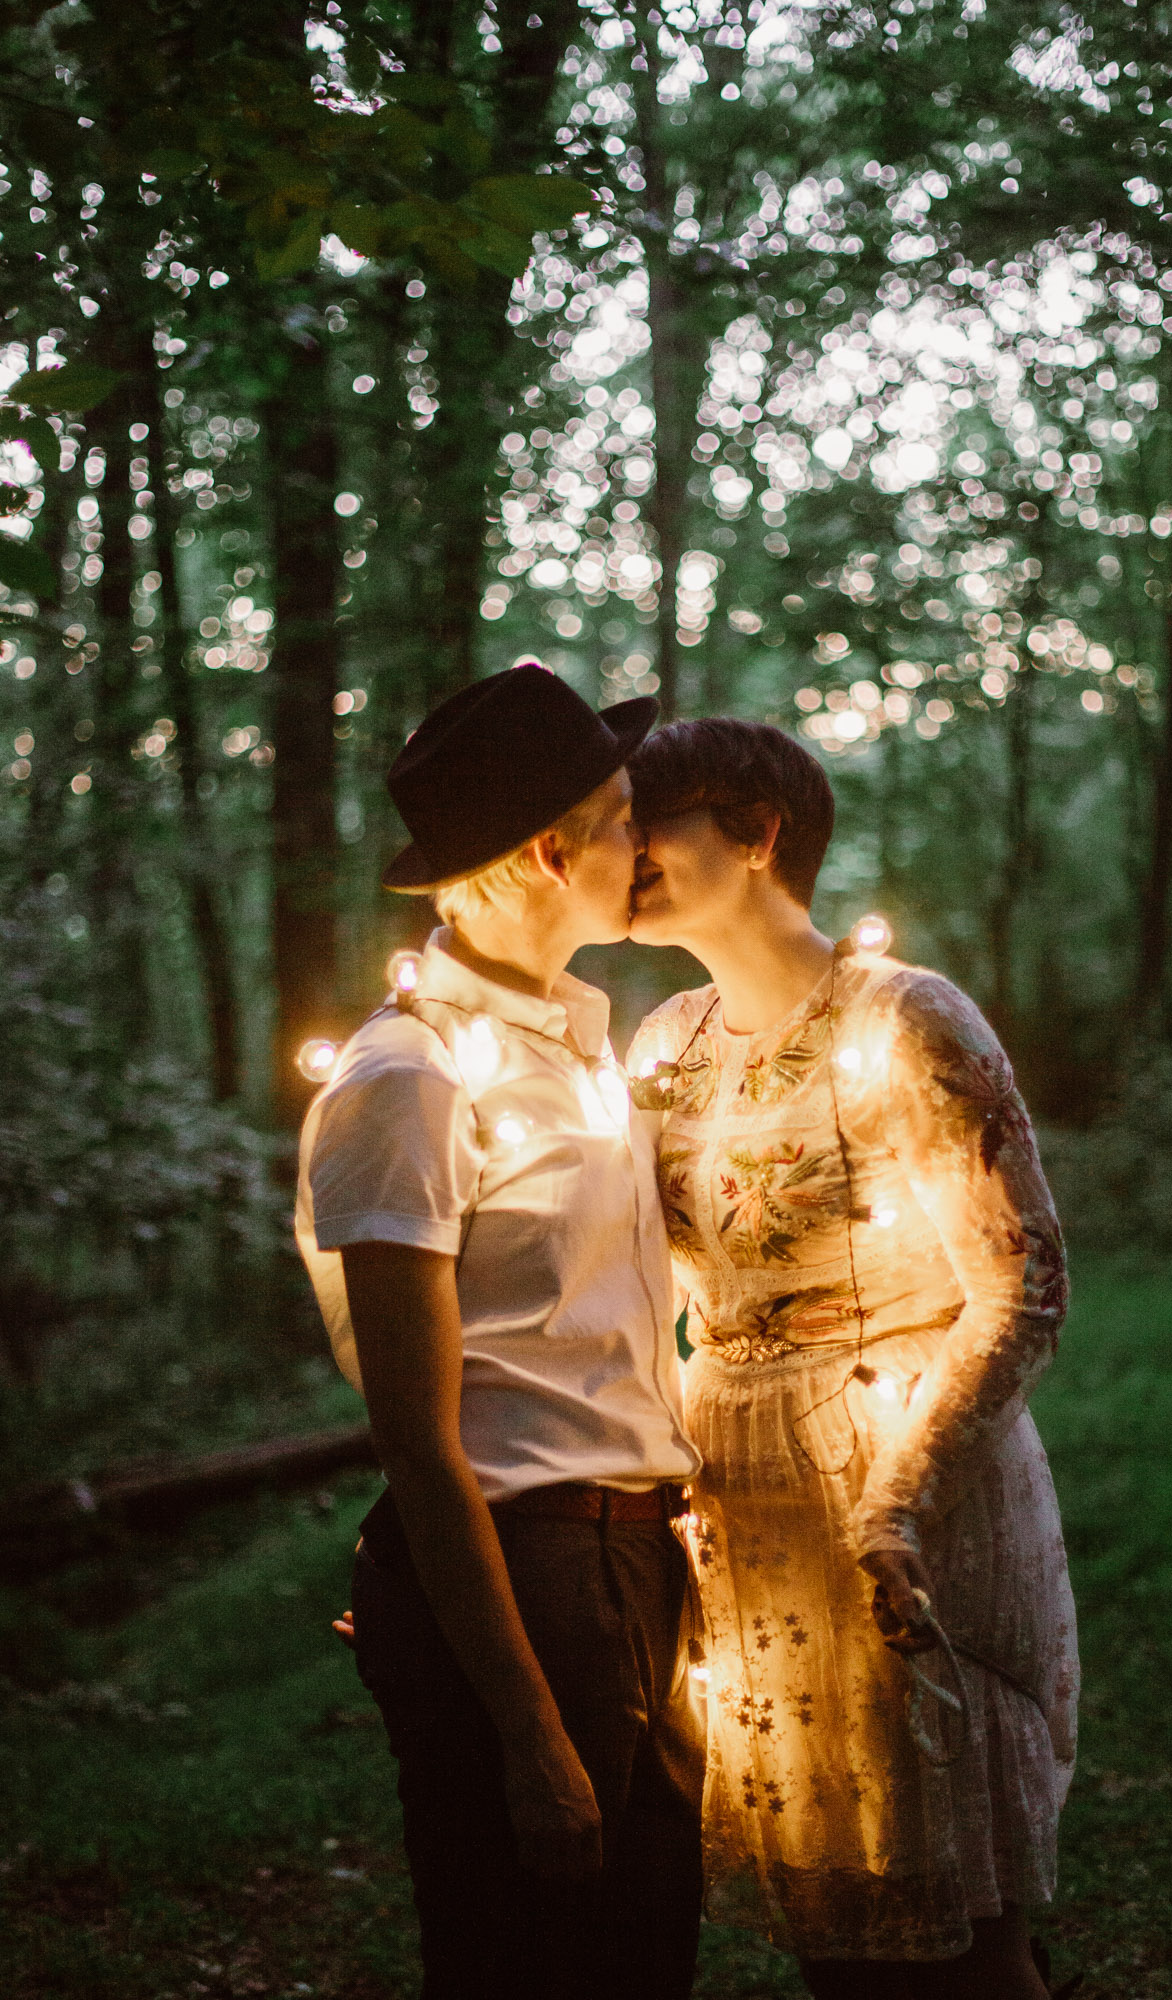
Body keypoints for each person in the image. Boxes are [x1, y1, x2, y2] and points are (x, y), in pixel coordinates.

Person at [624, 717, 1078, 2000]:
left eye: (657, 820)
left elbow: (1023, 1285)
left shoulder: (906, 1016)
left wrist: (899, 1493)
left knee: (953, 1906)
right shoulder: (662, 1044)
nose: (626, 847)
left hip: (905, 1479)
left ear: (759, 833)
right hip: (744, 1501)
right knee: (837, 1910)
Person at [295, 664, 705, 2000]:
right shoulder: (406, 1079)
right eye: (624, 813)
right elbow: (417, 1440)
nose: (643, 842)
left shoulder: (584, 1052)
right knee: (531, 1957)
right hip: (527, 1575)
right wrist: (528, 1732)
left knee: (644, 1948)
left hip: (628, 1564)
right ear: (547, 852)